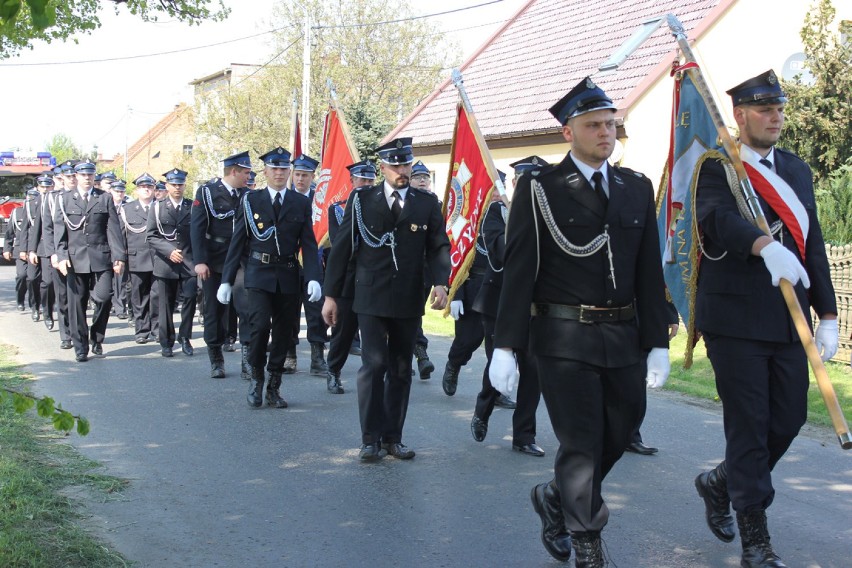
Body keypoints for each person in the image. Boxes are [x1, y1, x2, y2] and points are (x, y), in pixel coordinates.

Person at [489, 78, 670, 566]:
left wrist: (657, 339)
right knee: (582, 441)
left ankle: (555, 496)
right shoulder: (540, 188)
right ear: (568, 132)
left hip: (624, 334)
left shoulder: (635, 187)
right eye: (593, 125)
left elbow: (648, 270)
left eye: (610, 124)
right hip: (563, 337)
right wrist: (506, 346)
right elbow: (520, 269)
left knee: (621, 430)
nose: (605, 133)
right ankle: (587, 541)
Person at [693, 70, 837, 568]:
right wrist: (763, 245)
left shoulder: (796, 171)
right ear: (739, 115)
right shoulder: (718, 166)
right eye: (763, 109)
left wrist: (831, 313)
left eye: (778, 109)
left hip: (787, 318)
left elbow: (812, 244)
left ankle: (721, 482)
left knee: (790, 418)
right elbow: (716, 219)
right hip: (734, 319)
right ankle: (756, 538)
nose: (774, 117)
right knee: (751, 426)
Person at [322, 137, 450, 462]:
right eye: (395, 165)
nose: (401, 170)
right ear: (383, 167)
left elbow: (437, 246)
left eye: (405, 164)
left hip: (408, 296)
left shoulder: (426, 202)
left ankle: (394, 438)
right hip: (370, 295)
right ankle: (370, 439)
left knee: (401, 368)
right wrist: (331, 295)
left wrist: (441, 282)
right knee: (374, 363)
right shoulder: (363, 199)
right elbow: (343, 249)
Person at [217, 147, 322, 408]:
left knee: (284, 332)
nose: (279, 173)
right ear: (264, 172)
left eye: (283, 168)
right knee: (260, 326)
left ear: (289, 172)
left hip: (287, 274)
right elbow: (238, 241)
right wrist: (227, 280)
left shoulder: (300, 202)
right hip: (259, 274)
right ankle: (256, 377)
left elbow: (308, 243)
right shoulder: (251, 200)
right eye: (274, 168)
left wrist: (313, 277)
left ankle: (274, 385)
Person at [471, 160, 548, 457]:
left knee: (532, 369)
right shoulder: (497, 211)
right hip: (499, 303)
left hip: (534, 305)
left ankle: (524, 435)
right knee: (500, 364)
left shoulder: (551, 216)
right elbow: (501, 251)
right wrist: (521, 221)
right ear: (515, 183)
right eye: (524, 179)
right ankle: (483, 409)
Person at [53, 161, 126, 362]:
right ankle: (80, 347)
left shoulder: (104, 198)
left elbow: (113, 229)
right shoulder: (64, 199)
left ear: (95, 177)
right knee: (77, 304)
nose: (87, 178)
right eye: (83, 175)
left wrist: (119, 257)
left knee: (103, 297)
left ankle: (97, 336)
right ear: (76, 175)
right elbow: (59, 233)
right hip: (75, 259)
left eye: (91, 175)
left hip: (100, 256)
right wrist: (61, 257)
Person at [191, 151, 250, 377]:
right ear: (233, 171)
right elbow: (197, 228)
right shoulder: (207, 192)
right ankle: (216, 358)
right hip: (215, 259)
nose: (248, 176)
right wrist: (199, 261)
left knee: (246, 308)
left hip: (241, 260)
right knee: (214, 310)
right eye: (245, 172)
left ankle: (248, 358)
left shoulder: (247, 195)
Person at [324, 159, 375, 395]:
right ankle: (333, 371)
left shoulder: (382, 208)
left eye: (370, 180)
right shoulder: (338, 209)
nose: (366, 184)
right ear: (352, 181)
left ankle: (374, 376)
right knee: (344, 331)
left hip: (374, 278)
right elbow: (340, 243)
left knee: (375, 330)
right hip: (349, 277)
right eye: (361, 179)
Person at [147, 169, 197, 358]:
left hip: (188, 262)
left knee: (191, 298)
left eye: (180, 184)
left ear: (185, 186)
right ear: (166, 186)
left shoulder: (192, 206)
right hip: (166, 262)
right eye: (174, 184)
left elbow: (199, 234)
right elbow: (151, 235)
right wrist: (168, 251)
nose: (177, 188)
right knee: (165, 304)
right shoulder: (157, 207)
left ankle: (185, 337)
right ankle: (166, 341)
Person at [287, 153, 329, 376]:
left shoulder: (320, 202)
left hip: (314, 265)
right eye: (297, 174)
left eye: (305, 175)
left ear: (313, 176)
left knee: (316, 312)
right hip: (290, 265)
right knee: (288, 312)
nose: (300, 179)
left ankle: (317, 357)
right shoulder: (286, 198)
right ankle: (289, 355)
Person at [121, 173, 159, 344]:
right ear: (137, 190)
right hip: (136, 259)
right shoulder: (127, 209)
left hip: (158, 259)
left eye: (149, 187)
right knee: (139, 297)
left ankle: (158, 329)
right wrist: (120, 258)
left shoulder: (160, 207)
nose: (146, 189)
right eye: (143, 187)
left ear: (154, 190)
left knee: (157, 296)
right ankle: (142, 330)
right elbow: (121, 237)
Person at [408, 159, 436, 379]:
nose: (422, 181)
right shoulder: (403, 203)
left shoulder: (435, 203)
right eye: (417, 177)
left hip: (426, 270)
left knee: (414, 313)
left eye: (425, 177)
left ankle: (411, 354)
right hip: (405, 267)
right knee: (410, 313)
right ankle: (420, 353)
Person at [27, 171, 59, 331]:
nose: (46, 189)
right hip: (39, 247)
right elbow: (36, 228)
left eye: (49, 186)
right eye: (42, 186)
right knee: (32, 279)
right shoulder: (38, 201)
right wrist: (31, 250)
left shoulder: (57, 198)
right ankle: (35, 306)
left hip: (51, 248)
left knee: (48, 282)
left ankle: (47, 313)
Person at [108, 177, 131, 320]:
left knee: (122, 279)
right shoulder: (105, 205)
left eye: (121, 191)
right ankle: (112, 303)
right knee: (110, 280)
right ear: (111, 191)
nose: (119, 194)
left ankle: (120, 307)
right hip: (107, 248)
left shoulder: (127, 208)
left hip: (123, 248)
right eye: (116, 191)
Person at [3, 203, 29, 311]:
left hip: (38, 250)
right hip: (20, 250)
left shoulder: (42, 209)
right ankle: (20, 299)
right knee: (22, 276)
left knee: (35, 279)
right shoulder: (17, 212)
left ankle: (35, 304)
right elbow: (9, 233)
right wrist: (7, 249)